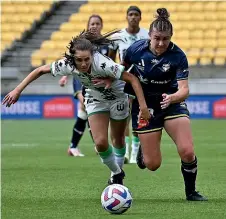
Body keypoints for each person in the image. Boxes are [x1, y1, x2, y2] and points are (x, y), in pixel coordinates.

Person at [2, 30, 150, 185]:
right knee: (100, 143)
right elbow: (40, 70)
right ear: (73, 59)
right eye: (79, 60)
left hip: (117, 96)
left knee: (118, 139)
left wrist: (143, 107)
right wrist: (17, 90)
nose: (84, 63)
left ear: (93, 55)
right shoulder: (67, 65)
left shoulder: (103, 64)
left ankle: (117, 178)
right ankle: (117, 173)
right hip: (95, 98)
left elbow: (132, 79)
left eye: (87, 59)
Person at [123, 8, 207, 200]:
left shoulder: (178, 56)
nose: (161, 43)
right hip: (145, 105)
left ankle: (191, 192)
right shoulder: (135, 50)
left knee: (187, 151)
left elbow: (185, 89)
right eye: (157, 38)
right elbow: (122, 71)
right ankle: (144, 152)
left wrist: (173, 98)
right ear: (149, 36)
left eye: (166, 39)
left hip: (171, 102)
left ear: (171, 37)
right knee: (152, 165)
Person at [59, 15, 109, 157]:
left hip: (96, 82)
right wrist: (64, 76)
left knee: (84, 113)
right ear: (88, 25)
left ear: (102, 25)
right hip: (80, 81)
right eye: (92, 23)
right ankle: (97, 145)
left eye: (97, 23)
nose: (95, 26)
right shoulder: (82, 43)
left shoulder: (106, 44)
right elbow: (70, 59)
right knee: (88, 107)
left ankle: (74, 146)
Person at [108, 6, 149, 164]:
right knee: (124, 114)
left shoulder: (146, 35)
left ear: (140, 17)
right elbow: (111, 57)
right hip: (123, 79)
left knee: (138, 114)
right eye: (130, 14)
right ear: (127, 17)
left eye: (136, 15)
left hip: (142, 80)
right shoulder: (118, 36)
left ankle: (135, 152)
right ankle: (124, 151)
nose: (133, 17)